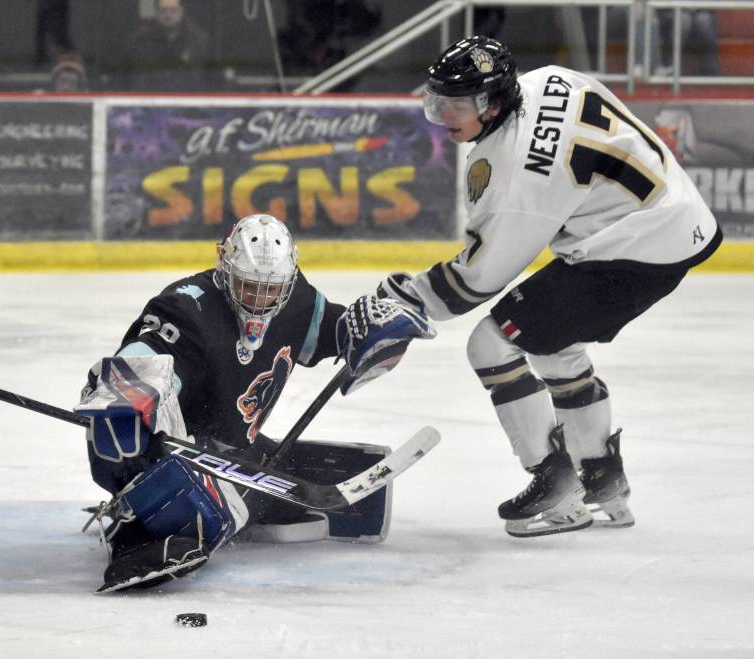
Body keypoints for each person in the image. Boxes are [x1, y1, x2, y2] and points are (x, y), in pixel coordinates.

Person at [373, 36, 720, 538]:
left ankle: (555, 486)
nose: (444, 114)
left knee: (490, 343)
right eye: (438, 101)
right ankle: (605, 485)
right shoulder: (548, 79)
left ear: (492, 104)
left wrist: (405, 297)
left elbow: (477, 281)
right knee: (555, 348)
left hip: (634, 248)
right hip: (671, 219)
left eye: (456, 104)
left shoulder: (515, 171)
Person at [75, 214, 433, 591]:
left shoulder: (298, 302)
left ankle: (223, 506)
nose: (260, 300)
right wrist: (125, 387)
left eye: (271, 290)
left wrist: (372, 335)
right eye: (247, 286)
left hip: (232, 449)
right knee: (221, 512)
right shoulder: (187, 308)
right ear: (223, 266)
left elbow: (338, 332)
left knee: (290, 479)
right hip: (170, 448)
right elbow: (148, 351)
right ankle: (136, 532)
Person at [116, 0, 212, 92]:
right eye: (163, 11)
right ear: (156, 12)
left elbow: (211, 80)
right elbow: (122, 79)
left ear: (182, 11)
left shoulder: (199, 41)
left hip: (189, 104)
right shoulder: (138, 41)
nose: (168, 15)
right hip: (146, 104)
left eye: (173, 10)